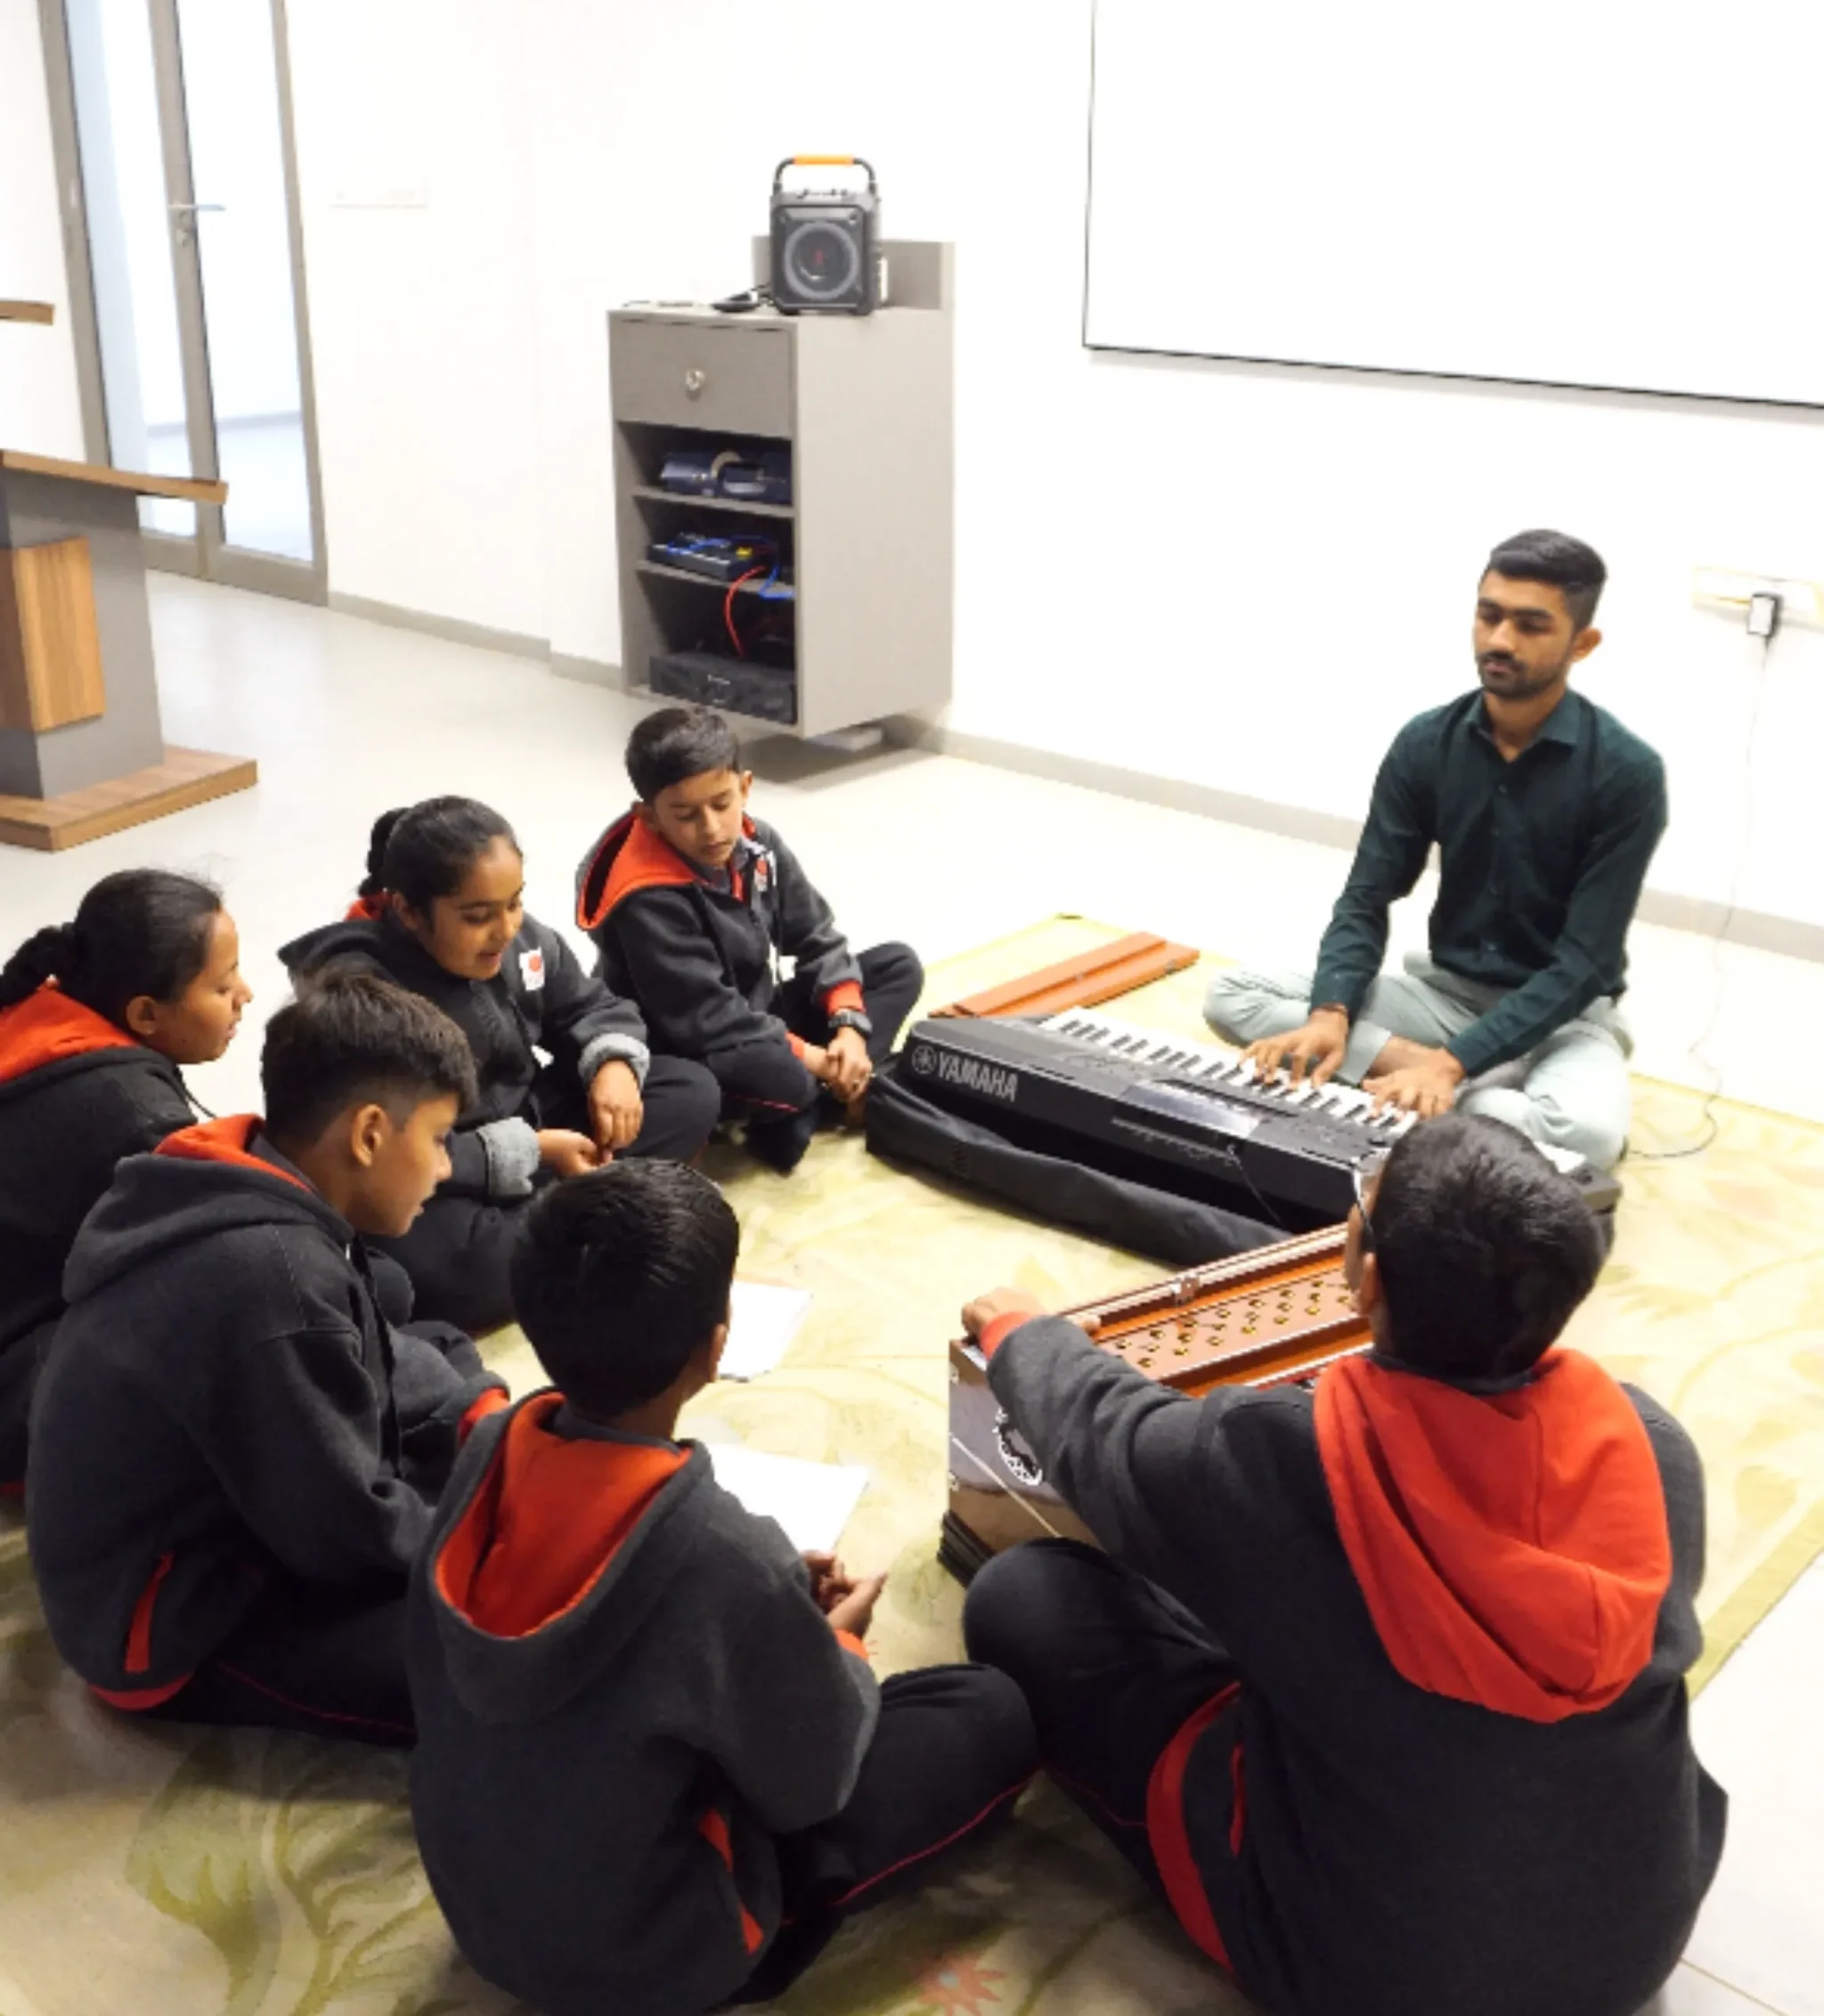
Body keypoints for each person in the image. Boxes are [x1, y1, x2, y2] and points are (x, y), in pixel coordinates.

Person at [961, 1113, 1725, 2016]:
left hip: (1371, 1976)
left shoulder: (1286, 1462)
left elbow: (1106, 1436)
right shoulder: (1651, 1445)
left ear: (1365, 1276)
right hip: (1629, 1942)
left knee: (1024, 1594)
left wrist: (1024, 1333)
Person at [407, 1161, 1035, 2016]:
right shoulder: (727, 1557)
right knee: (989, 1713)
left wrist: (767, 1613)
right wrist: (835, 1644)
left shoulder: (484, 1457)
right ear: (715, 1346)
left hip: (484, 1916)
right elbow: (811, 1785)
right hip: (646, 1961)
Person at [26, 974, 506, 1746]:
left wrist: (475, 1421)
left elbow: (372, 1357)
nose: (448, 1169)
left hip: (245, 1519)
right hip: (174, 1618)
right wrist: (488, 1547)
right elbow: (344, 1534)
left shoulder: (255, 1174)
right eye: (442, 1140)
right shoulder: (275, 1280)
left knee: (432, 1350)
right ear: (370, 1133)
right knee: (500, 1666)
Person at [1204, 529, 1665, 1169]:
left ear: (1582, 644)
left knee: (1584, 1136)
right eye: (1490, 615)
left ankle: (1449, 1079)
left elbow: (1583, 962)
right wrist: (1330, 1015)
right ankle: (1449, 1081)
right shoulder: (1426, 743)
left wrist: (1453, 1063)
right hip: (1443, 997)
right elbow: (1368, 895)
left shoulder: (1626, 772)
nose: (1500, 639)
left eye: (1531, 625)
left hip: (1564, 1018)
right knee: (1236, 995)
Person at [281, 797, 721, 1332]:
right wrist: (531, 1152)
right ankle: (594, 1205)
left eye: (515, 903)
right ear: (409, 911)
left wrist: (612, 1065)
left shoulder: (519, 937)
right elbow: (380, 1150)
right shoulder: (362, 994)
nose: (506, 929)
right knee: (436, 1270)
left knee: (690, 1091)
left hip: (536, 1121)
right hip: (442, 1168)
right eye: (478, 916)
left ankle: (571, 1214)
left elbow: (589, 1005)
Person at [574, 708, 923, 1173]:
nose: (713, 828)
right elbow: (709, 1020)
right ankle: (810, 1103)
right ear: (650, 818)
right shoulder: (645, 897)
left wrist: (849, 1031)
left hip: (760, 1015)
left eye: (722, 803)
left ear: (746, 787)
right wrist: (815, 1059)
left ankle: (818, 1099)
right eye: (686, 815)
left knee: (898, 965)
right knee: (783, 1078)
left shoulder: (760, 844)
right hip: (692, 1045)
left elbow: (817, 936)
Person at [0, 871, 251, 1488]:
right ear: (144, 1013)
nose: (245, 994)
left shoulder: (38, 1010)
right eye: (222, 985)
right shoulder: (129, 1114)